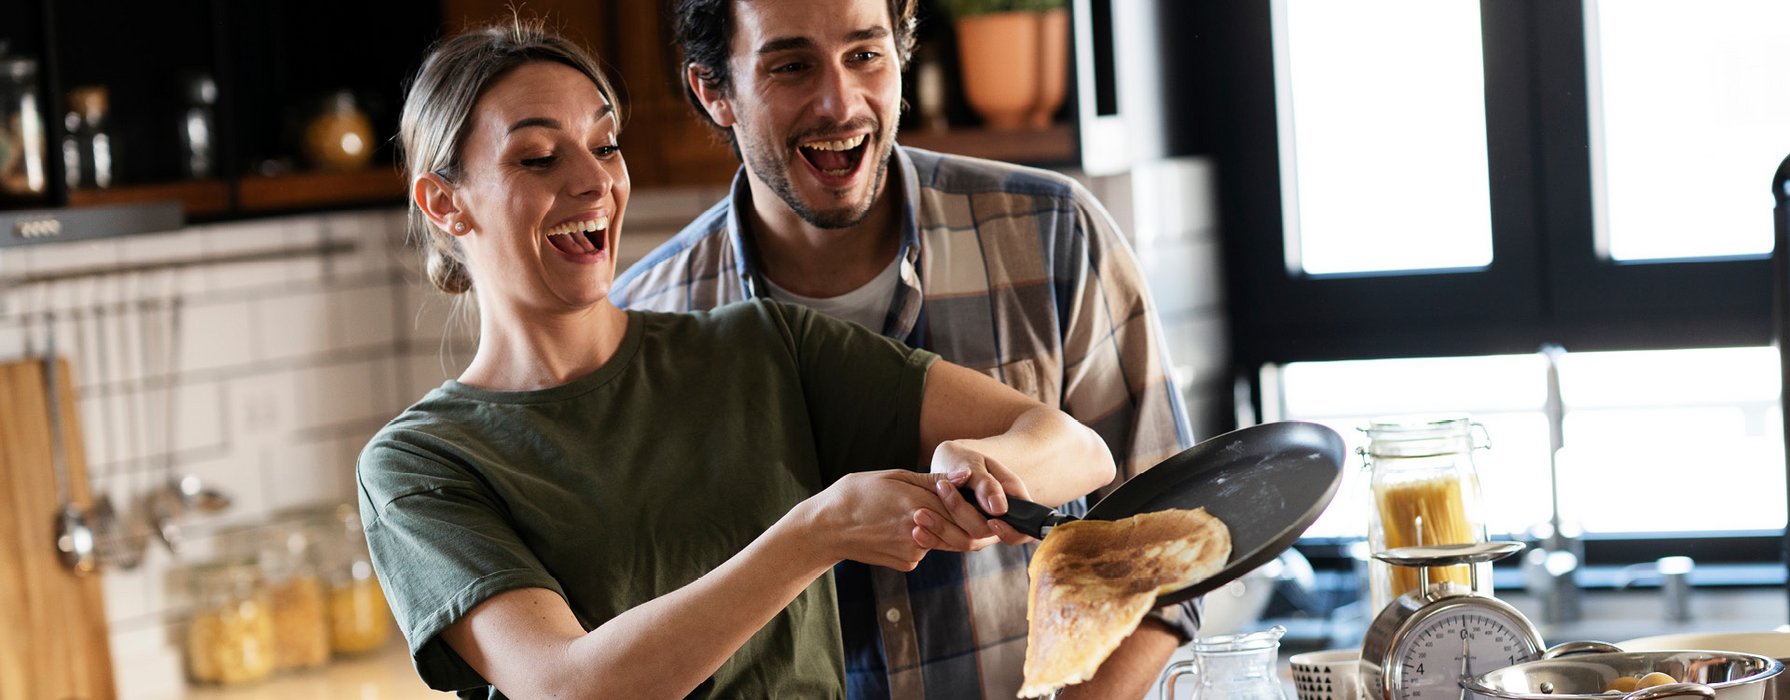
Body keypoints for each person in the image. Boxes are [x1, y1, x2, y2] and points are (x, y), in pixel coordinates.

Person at [358, 18, 1118, 700]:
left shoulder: (763, 346)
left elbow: (1075, 448)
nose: (592, 181)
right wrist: (818, 531)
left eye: (604, 144)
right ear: (445, 204)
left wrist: (975, 463)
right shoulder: (421, 464)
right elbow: (566, 688)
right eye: (537, 158)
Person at [611, 0, 1197, 698]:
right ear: (713, 91)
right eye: (792, 66)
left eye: (865, 55)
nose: (839, 103)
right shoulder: (645, 323)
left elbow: (1165, 558)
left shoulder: (1054, 237)